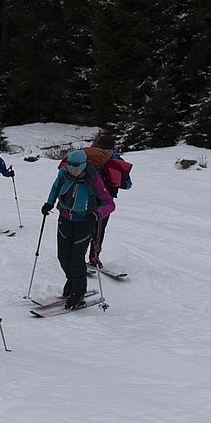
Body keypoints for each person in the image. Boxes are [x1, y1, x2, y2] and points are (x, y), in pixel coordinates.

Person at [40, 149, 115, 309]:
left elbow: (110, 204)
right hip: (65, 218)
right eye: (71, 166)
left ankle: (78, 293)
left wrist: (97, 215)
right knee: (62, 256)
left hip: (85, 222)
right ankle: (72, 280)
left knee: (76, 259)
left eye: (77, 167)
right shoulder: (64, 172)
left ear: (84, 165)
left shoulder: (93, 179)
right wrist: (49, 203)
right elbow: (55, 187)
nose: (73, 170)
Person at [83, 132, 133, 268]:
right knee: (100, 230)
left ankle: (78, 256)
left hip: (87, 198)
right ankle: (94, 257)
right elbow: (128, 185)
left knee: (83, 227)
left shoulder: (91, 158)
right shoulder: (117, 161)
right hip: (107, 201)